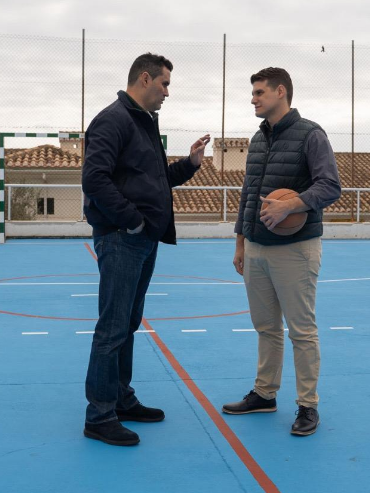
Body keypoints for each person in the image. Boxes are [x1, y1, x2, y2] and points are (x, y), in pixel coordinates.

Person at [81, 53, 210, 446]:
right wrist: (131, 219)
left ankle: (120, 398)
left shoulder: (144, 123)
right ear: (144, 78)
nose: (167, 92)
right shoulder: (114, 119)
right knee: (112, 328)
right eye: (164, 84)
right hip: (123, 238)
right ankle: (99, 415)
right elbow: (94, 179)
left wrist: (189, 164)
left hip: (142, 239)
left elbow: (154, 180)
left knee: (128, 324)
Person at [222, 67, 341, 436]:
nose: (253, 98)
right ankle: (264, 393)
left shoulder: (311, 134)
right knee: (266, 328)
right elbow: (247, 193)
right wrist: (241, 241)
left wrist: (292, 206)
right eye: (253, 93)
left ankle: (308, 405)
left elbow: (331, 186)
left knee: (301, 331)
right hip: (257, 247)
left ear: (281, 92)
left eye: (259, 92)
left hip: (295, 249)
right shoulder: (258, 140)